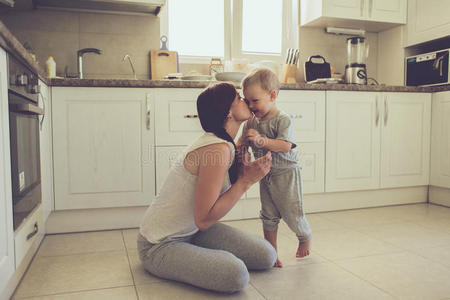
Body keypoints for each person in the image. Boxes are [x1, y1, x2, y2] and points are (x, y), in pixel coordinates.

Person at [137, 82, 276, 293]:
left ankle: (196, 254)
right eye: (238, 97)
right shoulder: (216, 149)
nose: (245, 99)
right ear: (228, 112)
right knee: (236, 275)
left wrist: (243, 165)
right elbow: (204, 219)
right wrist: (246, 181)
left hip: (193, 231)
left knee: (267, 255)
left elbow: (202, 220)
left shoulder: (224, 144)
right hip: (159, 244)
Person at [240, 68, 312, 268]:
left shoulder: (283, 119)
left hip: (286, 173)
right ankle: (272, 253)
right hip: (266, 175)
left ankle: (304, 235)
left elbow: (285, 145)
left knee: (291, 211)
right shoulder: (251, 121)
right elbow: (242, 143)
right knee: (268, 214)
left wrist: (262, 140)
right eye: (247, 101)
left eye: (255, 100)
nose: (251, 106)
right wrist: (241, 153)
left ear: (272, 95)